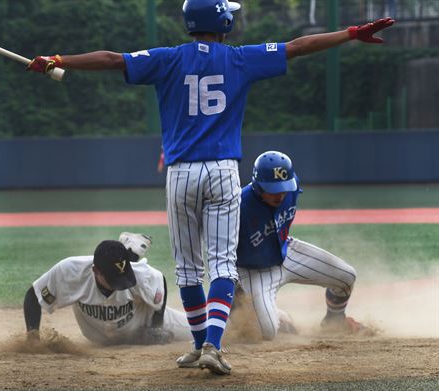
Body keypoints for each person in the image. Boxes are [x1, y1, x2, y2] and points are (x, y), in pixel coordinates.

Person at [26, 0, 394, 375]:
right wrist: (350, 33)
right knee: (221, 265)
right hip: (222, 170)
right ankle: (212, 348)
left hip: (180, 172)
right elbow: (297, 47)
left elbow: (110, 59)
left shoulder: (166, 58)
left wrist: (59, 59)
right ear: (222, 20)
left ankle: (200, 344)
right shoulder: (239, 58)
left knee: (188, 269)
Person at [236, 151, 364, 340]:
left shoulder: (292, 186)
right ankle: (262, 313)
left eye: (283, 187)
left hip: (286, 253)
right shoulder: (238, 206)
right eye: (273, 189)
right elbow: (221, 250)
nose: (280, 194)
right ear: (258, 186)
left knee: (346, 276)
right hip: (254, 273)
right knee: (267, 332)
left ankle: (334, 321)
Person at [23, 233, 192, 346]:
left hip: (142, 321)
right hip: (100, 340)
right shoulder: (71, 271)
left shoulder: (142, 274)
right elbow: (34, 295)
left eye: (123, 277)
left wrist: (156, 325)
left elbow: (159, 282)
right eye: (113, 280)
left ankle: (131, 252)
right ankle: (130, 249)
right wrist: (33, 337)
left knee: (202, 330)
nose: (119, 283)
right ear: (95, 271)